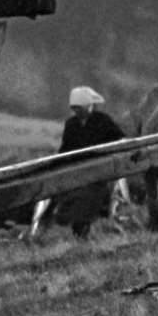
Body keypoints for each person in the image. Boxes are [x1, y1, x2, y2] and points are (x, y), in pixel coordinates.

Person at [32, 86, 128, 238]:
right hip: (76, 171)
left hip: (99, 172)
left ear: (90, 106)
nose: (77, 111)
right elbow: (66, 149)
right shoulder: (71, 124)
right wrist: (52, 165)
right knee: (64, 195)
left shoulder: (103, 120)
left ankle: (83, 229)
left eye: (80, 108)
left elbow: (121, 140)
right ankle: (49, 227)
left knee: (88, 199)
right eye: (74, 108)